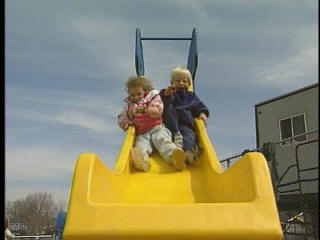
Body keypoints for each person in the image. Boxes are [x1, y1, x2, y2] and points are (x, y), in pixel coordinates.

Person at [117, 75, 186, 172]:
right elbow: (121, 117)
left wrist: (154, 110)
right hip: (142, 133)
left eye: (138, 94)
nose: (135, 97)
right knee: (141, 146)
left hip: (157, 127)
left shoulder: (151, 97)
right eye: (132, 95)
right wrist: (126, 123)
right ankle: (142, 161)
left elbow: (158, 104)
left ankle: (174, 157)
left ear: (145, 91)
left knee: (163, 141)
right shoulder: (129, 107)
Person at [160, 66, 209, 164]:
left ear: (189, 83)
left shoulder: (191, 97)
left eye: (184, 81)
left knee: (189, 136)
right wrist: (166, 94)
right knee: (168, 108)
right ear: (172, 82)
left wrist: (202, 113)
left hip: (185, 125)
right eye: (178, 81)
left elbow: (199, 105)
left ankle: (186, 154)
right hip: (170, 124)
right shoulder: (171, 93)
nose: (181, 83)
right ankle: (172, 152)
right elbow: (162, 103)